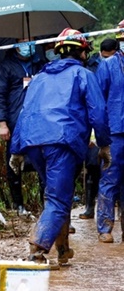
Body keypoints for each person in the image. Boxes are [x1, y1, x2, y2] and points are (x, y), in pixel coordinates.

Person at [10, 28, 111, 265]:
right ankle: (37, 248)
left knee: (57, 194)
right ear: (83, 53)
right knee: (58, 199)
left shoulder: (40, 78)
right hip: (62, 143)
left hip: (35, 143)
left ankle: (63, 249)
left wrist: (16, 150)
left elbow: (23, 114)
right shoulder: (83, 75)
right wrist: (105, 145)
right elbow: (98, 111)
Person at [0, 38, 46, 216]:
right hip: (15, 123)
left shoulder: (40, 63)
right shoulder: (5, 67)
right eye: (23, 41)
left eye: (30, 41)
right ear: (16, 44)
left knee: (43, 163)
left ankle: (45, 203)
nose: (27, 44)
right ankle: (18, 205)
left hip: (40, 122)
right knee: (14, 164)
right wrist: (2, 123)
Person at [80, 38, 119, 219]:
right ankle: (96, 215)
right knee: (101, 171)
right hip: (108, 129)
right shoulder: (100, 66)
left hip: (111, 128)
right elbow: (96, 103)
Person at [95, 20, 124, 243]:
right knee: (110, 177)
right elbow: (97, 100)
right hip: (114, 130)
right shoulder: (108, 65)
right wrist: (97, 132)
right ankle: (104, 227)